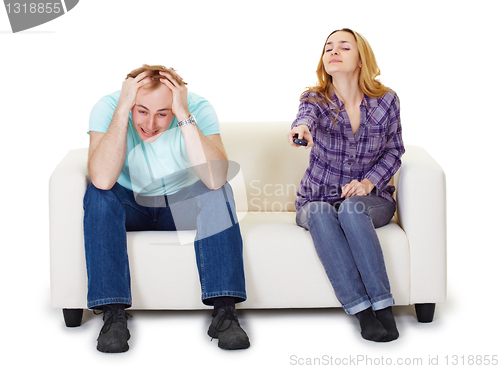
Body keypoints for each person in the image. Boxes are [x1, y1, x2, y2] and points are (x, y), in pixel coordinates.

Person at [84, 64, 250, 352]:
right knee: (99, 195)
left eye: (163, 113)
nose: (150, 124)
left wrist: (184, 115)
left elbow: (214, 179)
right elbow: (102, 177)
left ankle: (225, 312)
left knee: (218, 192)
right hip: (131, 204)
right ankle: (113, 314)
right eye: (142, 111)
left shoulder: (197, 107)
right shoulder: (109, 106)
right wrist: (123, 110)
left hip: (179, 206)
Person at [287, 29, 405, 342]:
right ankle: (362, 312)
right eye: (328, 48)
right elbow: (305, 118)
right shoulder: (315, 99)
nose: (333, 52)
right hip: (316, 199)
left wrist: (368, 183)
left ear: (360, 59)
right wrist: (301, 130)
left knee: (352, 209)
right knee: (322, 214)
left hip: (371, 199)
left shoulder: (386, 101)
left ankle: (383, 307)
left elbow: (395, 151)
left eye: (343, 47)